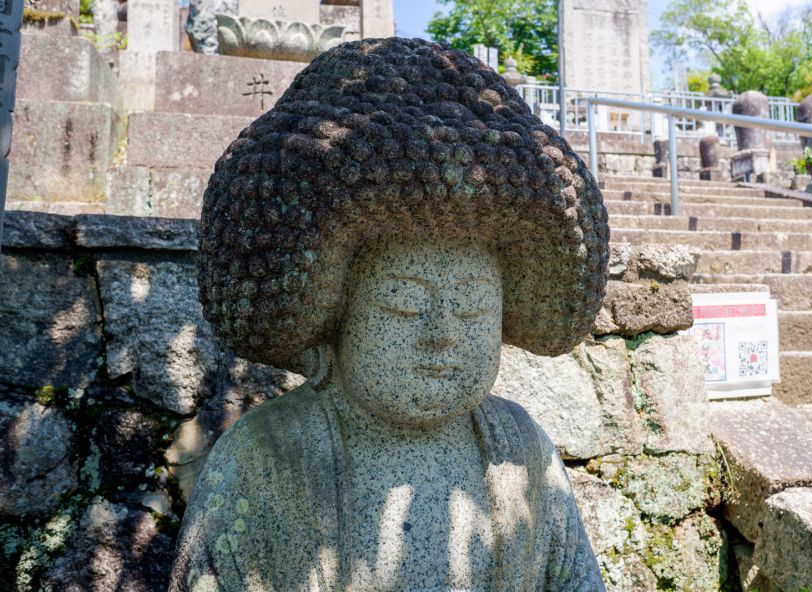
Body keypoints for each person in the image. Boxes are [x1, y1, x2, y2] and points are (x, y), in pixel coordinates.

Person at [169, 37, 610, 591]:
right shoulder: (268, 456)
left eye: (474, 308)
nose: (442, 336)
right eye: (403, 303)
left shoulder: (521, 448)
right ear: (335, 315)